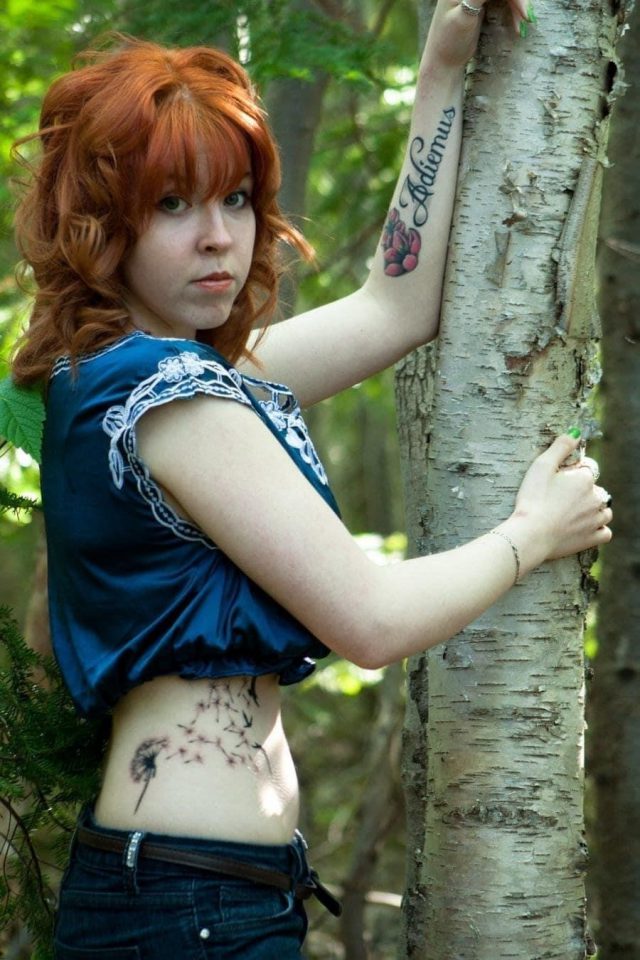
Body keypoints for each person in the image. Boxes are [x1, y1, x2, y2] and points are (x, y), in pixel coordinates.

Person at [11, 1, 612, 957]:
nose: (217, 237)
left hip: (196, 893)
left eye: (235, 200)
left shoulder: (153, 376)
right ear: (102, 227)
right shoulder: (168, 397)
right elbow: (370, 622)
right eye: (172, 205)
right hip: (187, 907)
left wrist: (444, 71)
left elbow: (396, 307)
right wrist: (531, 534)